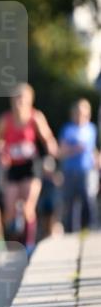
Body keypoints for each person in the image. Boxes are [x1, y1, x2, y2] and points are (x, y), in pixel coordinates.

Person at [0, 83, 58, 254]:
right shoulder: (5, 119)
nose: (18, 103)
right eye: (15, 100)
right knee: (9, 209)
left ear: (29, 101)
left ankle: (29, 244)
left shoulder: (35, 117)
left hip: (31, 166)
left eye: (22, 100)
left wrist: (51, 154)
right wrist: (1, 152)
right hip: (13, 167)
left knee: (29, 206)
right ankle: (14, 243)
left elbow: (47, 138)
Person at [59, 98, 99, 232]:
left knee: (88, 199)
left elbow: (93, 149)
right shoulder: (67, 129)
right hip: (70, 170)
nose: (81, 116)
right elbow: (62, 151)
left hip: (87, 170)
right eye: (78, 113)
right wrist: (75, 149)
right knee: (70, 202)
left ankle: (89, 228)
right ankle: (70, 230)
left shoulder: (92, 129)